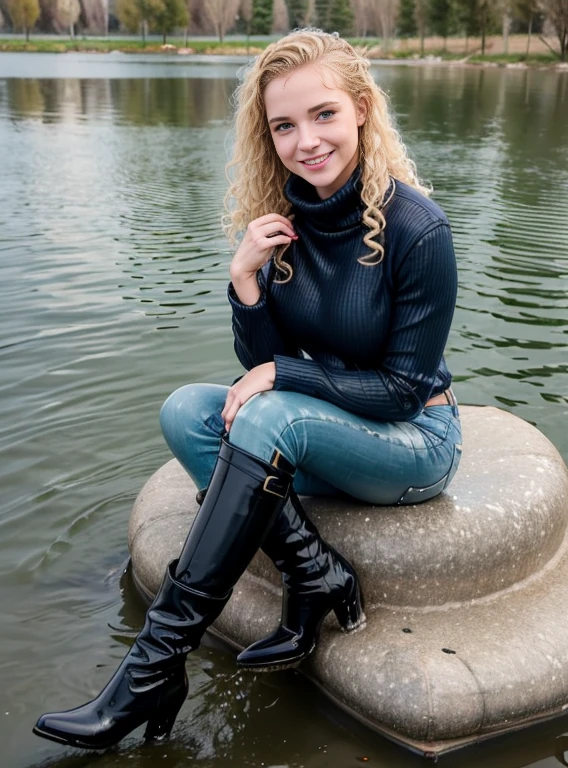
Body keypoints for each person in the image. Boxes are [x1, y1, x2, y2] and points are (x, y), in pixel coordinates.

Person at [33, 28, 461, 751]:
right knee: (187, 412)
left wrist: (283, 377)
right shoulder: (281, 223)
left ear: (361, 109)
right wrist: (244, 283)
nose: (306, 142)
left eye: (324, 114)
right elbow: (262, 360)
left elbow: (396, 390)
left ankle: (153, 665)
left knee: (261, 415)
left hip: (413, 439)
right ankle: (315, 571)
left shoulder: (418, 229)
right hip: (320, 419)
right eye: (284, 126)